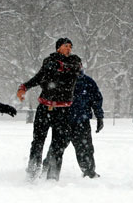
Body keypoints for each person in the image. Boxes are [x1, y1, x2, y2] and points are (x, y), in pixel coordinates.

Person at [17, 38, 82, 181]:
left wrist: (58, 69)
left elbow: (72, 72)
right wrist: (24, 87)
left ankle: (53, 177)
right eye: (66, 46)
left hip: (63, 110)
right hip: (45, 108)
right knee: (38, 141)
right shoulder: (49, 61)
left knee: (58, 144)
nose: (69, 49)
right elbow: (40, 77)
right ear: (58, 48)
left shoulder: (74, 61)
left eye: (70, 46)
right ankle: (32, 173)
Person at [42, 70, 104, 178]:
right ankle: (47, 171)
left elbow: (96, 99)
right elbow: (49, 98)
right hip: (62, 121)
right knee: (56, 149)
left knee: (84, 149)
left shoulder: (87, 82)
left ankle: (89, 172)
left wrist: (99, 116)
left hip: (81, 122)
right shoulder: (59, 80)